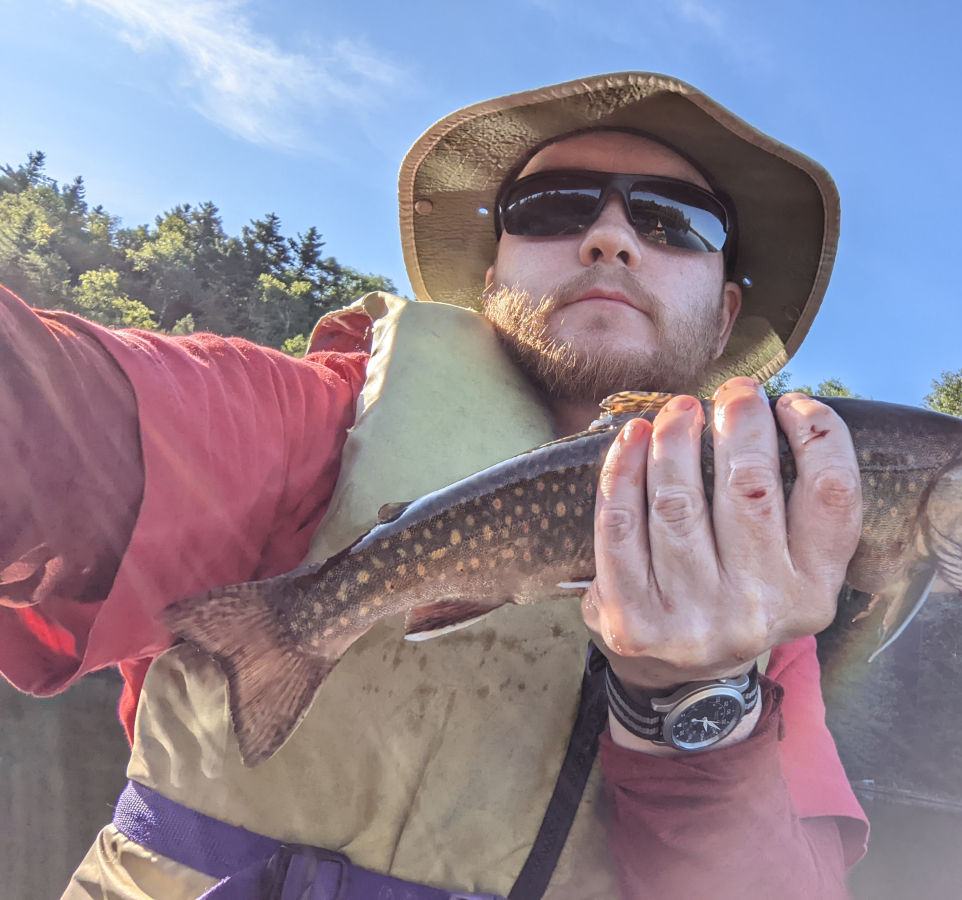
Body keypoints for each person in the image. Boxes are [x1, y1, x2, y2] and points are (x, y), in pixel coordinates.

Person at [1, 72, 868, 898]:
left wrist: (698, 701)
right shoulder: (317, 420)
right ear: (493, 282)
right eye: (552, 208)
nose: (611, 239)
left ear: (723, 315)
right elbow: (46, 417)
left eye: (679, 223)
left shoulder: (772, 594)